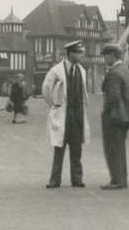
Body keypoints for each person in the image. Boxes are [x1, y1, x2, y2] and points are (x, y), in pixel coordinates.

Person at [42, 40, 90, 189]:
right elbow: (46, 88)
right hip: (63, 114)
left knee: (76, 150)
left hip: (77, 117)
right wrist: (54, 104)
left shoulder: (81, 70)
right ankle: (55, 180)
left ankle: (77, 179)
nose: (82, 55)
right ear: (71, 54)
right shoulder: (56, 70)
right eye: (79, 53)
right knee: (59, 149)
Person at [100, 43, 129, 190]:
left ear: (113, 55)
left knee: (113, 148)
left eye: (106, 56)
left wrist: (106, 111)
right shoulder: (127, 71)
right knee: (120, 147)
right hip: (126, 116)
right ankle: (122, 179)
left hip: (114, 117)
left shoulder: (115, 73)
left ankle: (117, 180)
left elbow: (112, 96)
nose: (105, 59)